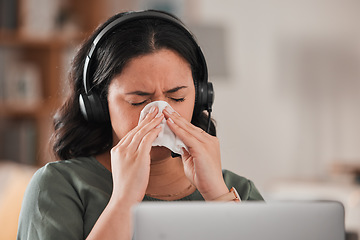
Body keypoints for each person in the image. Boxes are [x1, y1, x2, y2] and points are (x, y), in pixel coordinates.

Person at [17, 10, 264, 240]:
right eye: (138, 101)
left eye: (177, 98)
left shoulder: (239, 190)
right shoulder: (59, 187)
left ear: (200, 97)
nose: (162, 116)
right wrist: (124, 200)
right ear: (98, 105)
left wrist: (218, 197)